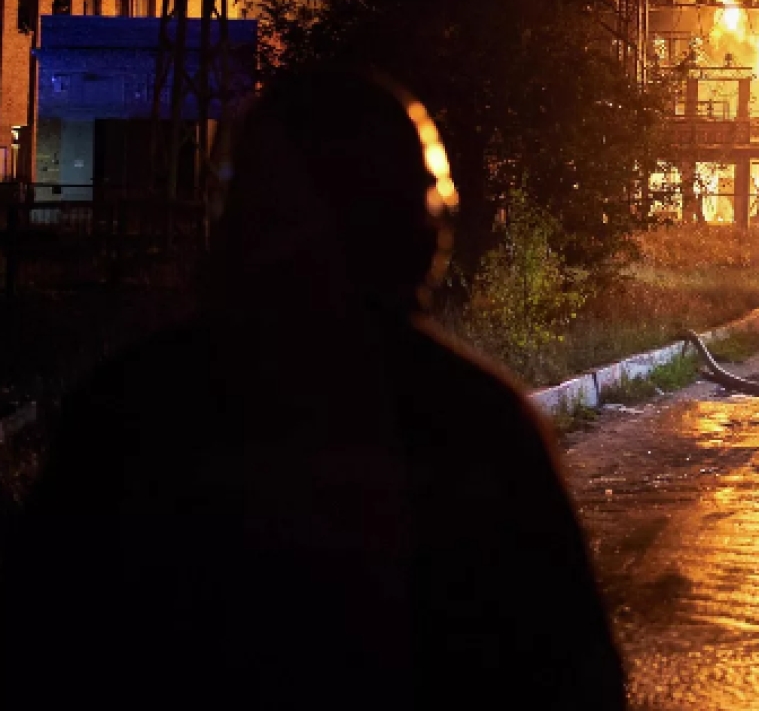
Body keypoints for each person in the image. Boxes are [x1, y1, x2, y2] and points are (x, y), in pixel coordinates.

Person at [0, 69, 627, 711]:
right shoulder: (475, 420)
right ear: (417, 224)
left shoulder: (131, 407)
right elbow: (572, 675)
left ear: (237, 220)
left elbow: (39, 646)